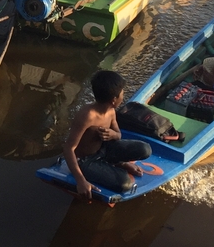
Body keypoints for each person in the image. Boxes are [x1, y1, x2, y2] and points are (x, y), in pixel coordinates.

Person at [63, 70, 152, 199]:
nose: (123, 94)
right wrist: (80, 180)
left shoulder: (111, 111)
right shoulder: (87, 115)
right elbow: (68, 148)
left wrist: (113, 135)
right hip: (86, 161)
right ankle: (106, 167)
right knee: (125, 183)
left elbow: (119, 135)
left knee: (145, 149)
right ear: (114, 99)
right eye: (122, 92)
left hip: (104, 150)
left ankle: (117, 163)